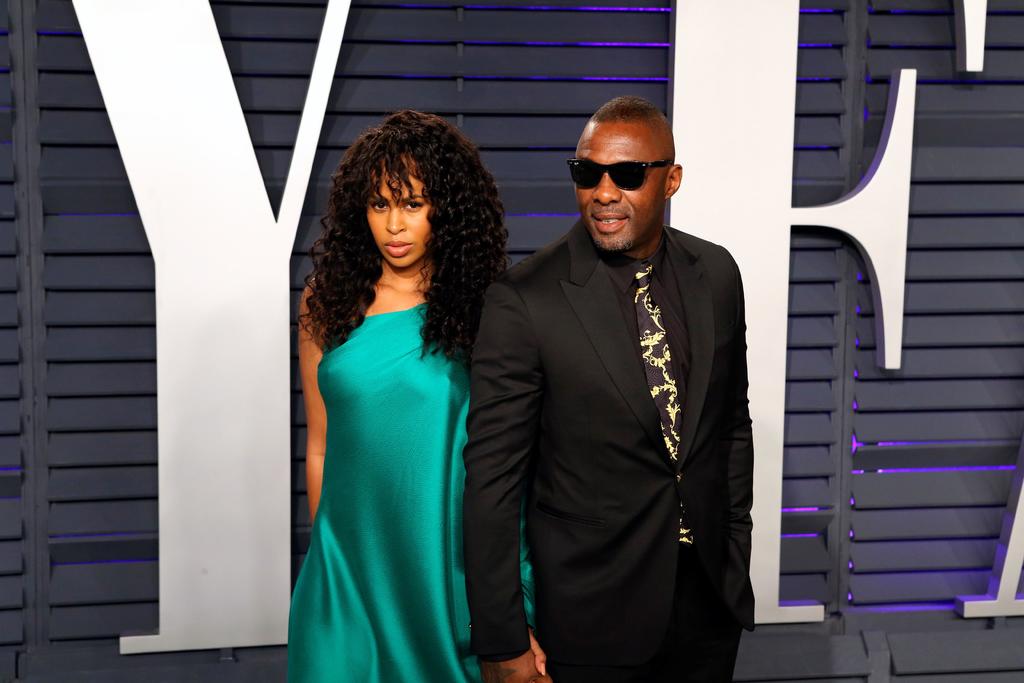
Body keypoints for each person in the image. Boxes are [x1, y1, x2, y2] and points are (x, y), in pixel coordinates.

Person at [463, 96, 755, 682]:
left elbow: (730, 425)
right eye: (587, 173)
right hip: (590, 618)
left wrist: (733, 546)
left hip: (707, 606)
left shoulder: (717, 273)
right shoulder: (525, 299)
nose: (602, 193)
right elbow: (492, 482)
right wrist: (502, 639)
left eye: (626, 175)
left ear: (671, 180)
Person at [287, 110, 546, 682]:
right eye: (379, 204)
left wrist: (514, 599)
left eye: (412, 204)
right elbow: (321, 446)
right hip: (346, 572)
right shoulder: (326, 302)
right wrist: (329, 559)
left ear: (445, 209)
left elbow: (510, 467)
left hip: (443, 568)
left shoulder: (485, 309)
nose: (394, 225)